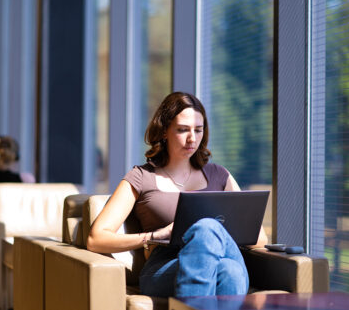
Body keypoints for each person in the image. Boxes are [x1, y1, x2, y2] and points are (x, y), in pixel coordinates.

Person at [87, 92, 268, 298]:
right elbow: (96, 239)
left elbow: (259, 239)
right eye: (183, 130)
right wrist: (155, 236)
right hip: (165, 266)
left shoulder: (220, 175)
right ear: (164, 131)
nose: (192, 138)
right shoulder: (141, 177)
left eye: (198, 130)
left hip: (222, 256)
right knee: (229, 270)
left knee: (218, 246)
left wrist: (214, 235)